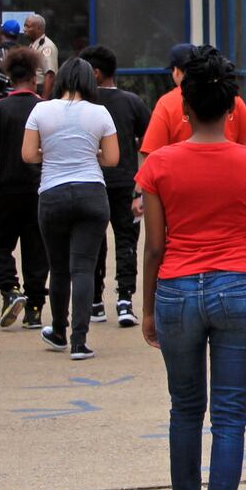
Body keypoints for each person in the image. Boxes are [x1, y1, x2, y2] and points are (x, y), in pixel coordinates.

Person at [138, 47, 246, 490]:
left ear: (185, 107)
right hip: (239, 287)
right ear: (230, 110)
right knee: (229, 415)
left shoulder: (158, 166)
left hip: (175, 288)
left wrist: (147, 306)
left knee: (184, 410)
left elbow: (154, 245)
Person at [22, 57, 118, 360]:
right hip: (92, 193)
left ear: (61, 79)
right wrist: (93, 153)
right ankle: (80, 341)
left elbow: (28, 155)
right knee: (84, 268)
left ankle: (59, 331)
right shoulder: (100, 113)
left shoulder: (40, 110)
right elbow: (112, 159)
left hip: (53, 193)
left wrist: (49, 151)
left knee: (60, 268)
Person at [0, 47, 50, 330]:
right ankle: (34, 307)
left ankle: (10, 289)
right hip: (39, 187)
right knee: (37, 247)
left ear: (8, 77)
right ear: (34, 78)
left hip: (5, 186)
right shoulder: (44, 108)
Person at [80, 45, 151, 328]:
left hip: (90, 183)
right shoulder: (132, 102)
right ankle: (125, 301)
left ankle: (95, 301)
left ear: (95, 73)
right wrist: (141, 188)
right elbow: (150, 143)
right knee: (126, 241)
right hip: (125, 183)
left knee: (93, 243)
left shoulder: (81, 106)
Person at [139, 42, 246, 159]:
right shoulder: (230, 96)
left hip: (180, 176)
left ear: (176, 71)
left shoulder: (166, 103)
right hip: (231, 173)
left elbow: (151, 155)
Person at [21, 13, 59, 100]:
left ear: (38, 28)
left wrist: (43, 100)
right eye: (24, 26)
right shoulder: (33, 45)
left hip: (41, 90)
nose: (24, 29)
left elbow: (50, 75)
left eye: (28, 27)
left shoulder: (46, 47)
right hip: (32, 90)